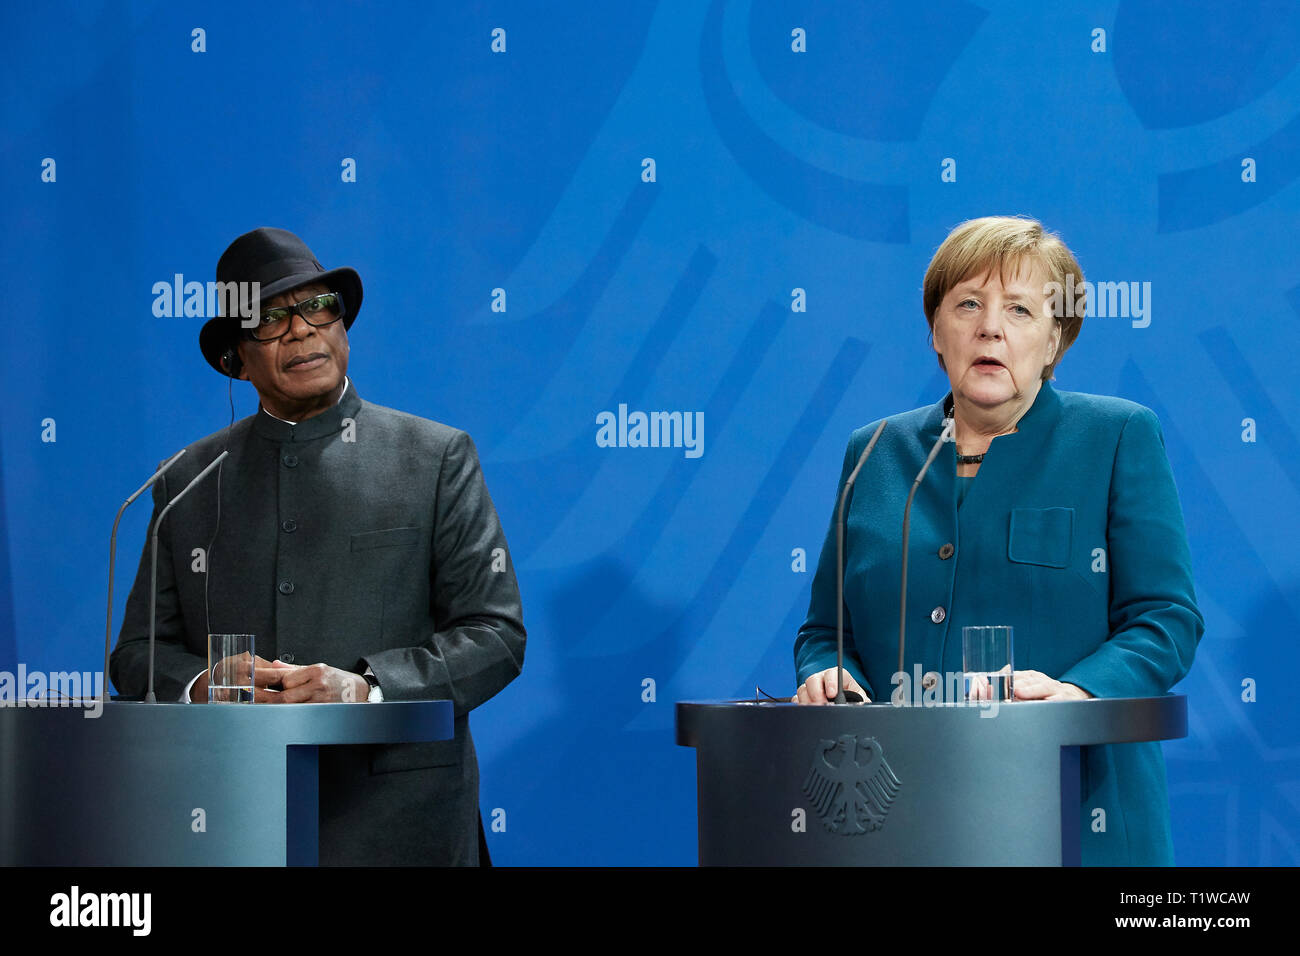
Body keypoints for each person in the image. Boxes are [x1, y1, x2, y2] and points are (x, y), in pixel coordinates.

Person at [793, 216, 1203, 865]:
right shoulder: (872, 451)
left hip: (1074, 817)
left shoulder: (1115, 438)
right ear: (936, 329)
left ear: (1054, 341)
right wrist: (827, 674)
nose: (990, 327)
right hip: (903, 821)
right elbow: (824, 632)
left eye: (1019, 309)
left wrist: (1078, 693)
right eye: (968, 304)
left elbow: (1166, 619)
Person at [110, 226, 526, 865]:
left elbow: (495, 635)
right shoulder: (187, 481)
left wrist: (367, 688)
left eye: (317, 307)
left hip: (402, 829)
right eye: (270, 319)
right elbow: (139, 652)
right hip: (234, 821)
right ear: (236, 360)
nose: (300, 330)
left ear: (342, 328)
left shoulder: (435, 457)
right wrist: (200, 682)